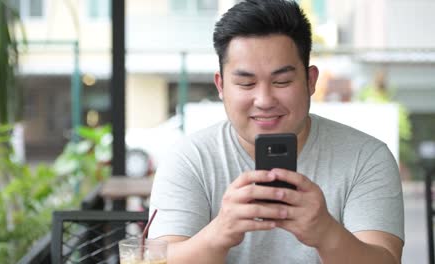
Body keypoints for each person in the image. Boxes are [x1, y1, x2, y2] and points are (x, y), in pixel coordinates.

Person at [148, 0, 404, 263]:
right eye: (246, 83)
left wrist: (326, 232)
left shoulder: (366, 157)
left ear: (310, 81)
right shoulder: (188, 158)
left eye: (281, 81)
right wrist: (220, 232)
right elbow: (159, 259)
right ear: (221, 85)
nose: (264, 100)